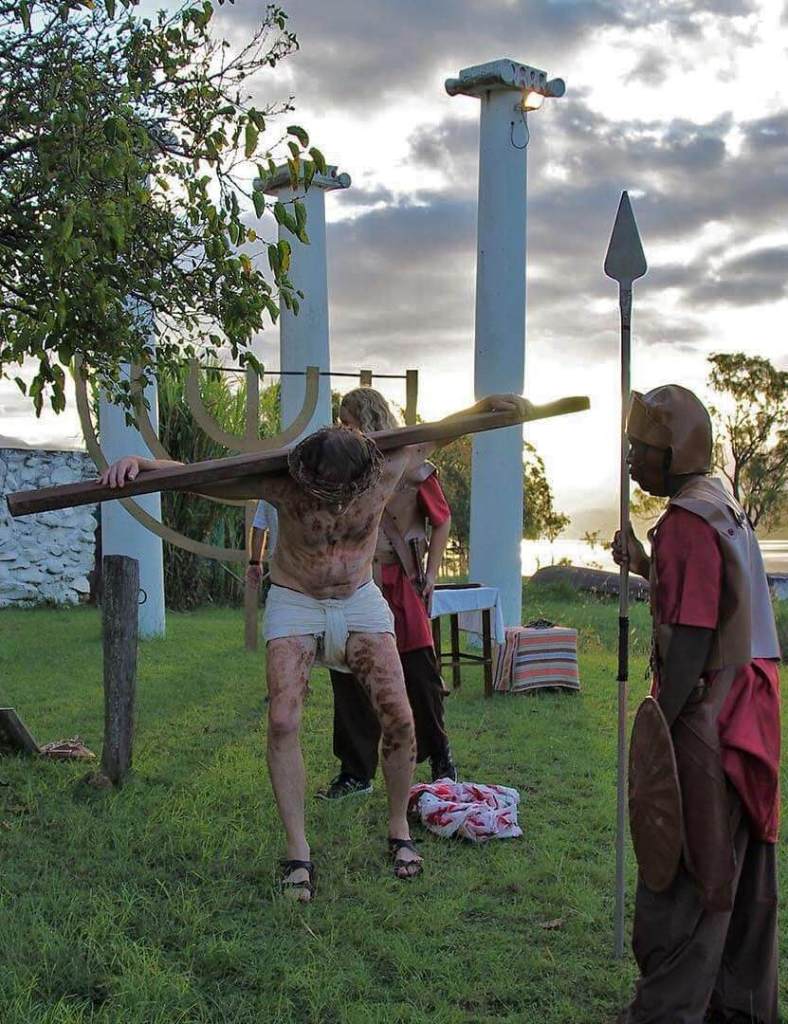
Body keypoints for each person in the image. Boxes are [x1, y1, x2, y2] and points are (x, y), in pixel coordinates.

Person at [98, 392, 529, 902]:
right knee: (282, 719)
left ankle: (398, 830)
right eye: (324, 497)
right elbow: (201, 476)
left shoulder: (387, 464)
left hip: (359, 597)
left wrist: (489, 404)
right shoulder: (283, 477)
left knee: (401, 717)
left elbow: (444, 428)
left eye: (345, 498)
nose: (336, 506)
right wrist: (142, 463)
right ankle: (298, 851)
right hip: (296, 598)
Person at [612, 385, 781, 1024]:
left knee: (688, 871)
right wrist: (648, 564)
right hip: (748, 701)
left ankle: (665, 1012)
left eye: (641, 449)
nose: (631, 461)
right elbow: (712, 599)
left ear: (674, 452)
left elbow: (690, 635)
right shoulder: (719, 504)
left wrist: (660, 724)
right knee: (739, 870)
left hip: (709, 710)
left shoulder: (687, 519)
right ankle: (736, 1009)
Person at [319, 387, 456, 802]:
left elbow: (441, 521)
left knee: (419, 673)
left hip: (401, 581)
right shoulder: (346, 470)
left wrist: (430, 574)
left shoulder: (414, 468)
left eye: (348, 421)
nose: (343, 428)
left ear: (368, 417)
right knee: (349, 674)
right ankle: (356, 771)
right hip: (357, 585)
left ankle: (439, 757)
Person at [246, 499, 278, 592]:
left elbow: (259, 527)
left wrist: (255, 563)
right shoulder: (315, 489)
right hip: (310, 564)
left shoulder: (270, 492)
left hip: (279, 565)